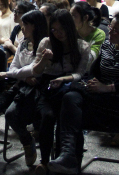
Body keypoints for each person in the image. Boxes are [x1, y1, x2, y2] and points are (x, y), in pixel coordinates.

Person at [48, 12, 119, 174]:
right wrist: (93, 84)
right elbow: (94, 72)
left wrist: (108, 88)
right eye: (110, 27)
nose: (109, 32)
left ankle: (69, 159)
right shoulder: (107, 46)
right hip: (100, 98)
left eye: (115, 30)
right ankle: (68, 157)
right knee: (70, 101)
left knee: (69, 105)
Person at [0, 10, 48, 167]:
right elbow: (14, 67)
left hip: (34, 91)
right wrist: (23, 77)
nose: (22, 28)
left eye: (25, 25)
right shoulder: (24, 43)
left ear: (34, 26)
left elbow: (36, 71)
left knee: (11, 114)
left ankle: (27, 140)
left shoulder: (44, 45)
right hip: (18, 86)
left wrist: (16, 74)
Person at [33, 10, 90, 173]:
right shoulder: (46, 43)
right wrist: (44, 60)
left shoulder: (82, 46)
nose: (58, 34)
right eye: (54, 30)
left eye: (62, 29)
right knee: (48, 116)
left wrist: (64, 79)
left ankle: (67, 160)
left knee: (68, 117)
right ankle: (45, 161)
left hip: (69, 86)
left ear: (70, 27)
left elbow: (80, 74)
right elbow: (36, 72)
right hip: (48, 87)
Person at [70, 2, 105, 67]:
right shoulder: (69, 32)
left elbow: (90, 59)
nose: (70, 19)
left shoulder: (98, 34)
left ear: (85, 18)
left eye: (74, 16)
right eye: (70, 15)